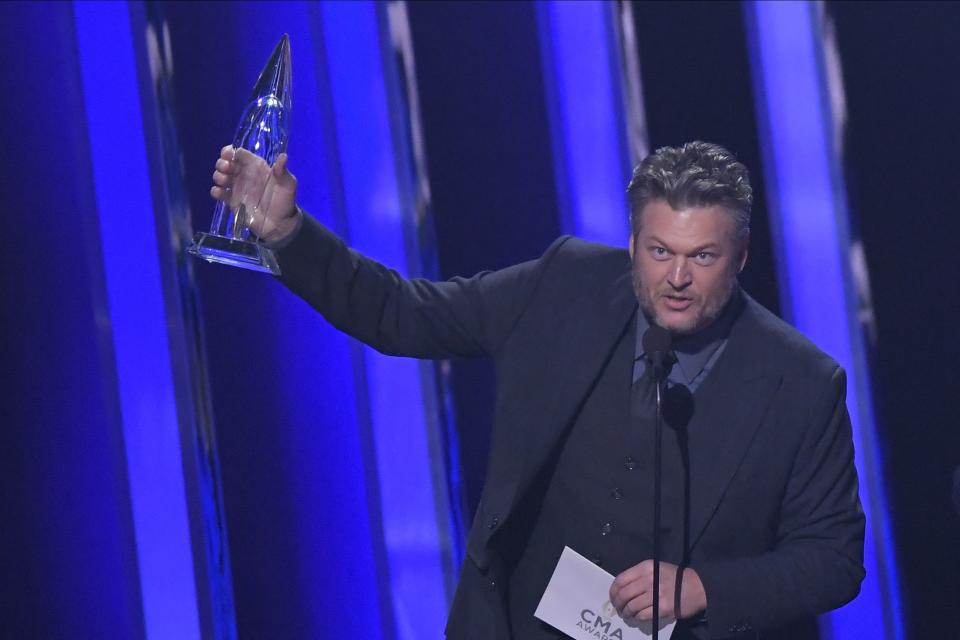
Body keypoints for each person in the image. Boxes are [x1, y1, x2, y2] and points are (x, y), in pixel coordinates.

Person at [210, 141, 865, 639]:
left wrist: (703, 588)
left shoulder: (801, 384)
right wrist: (288, 232)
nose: (677, 279)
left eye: (702, 257)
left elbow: (834, 559)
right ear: (633, 242)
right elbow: (404, 313)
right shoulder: (565, 285)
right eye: (659, 252)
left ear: (742, 255)